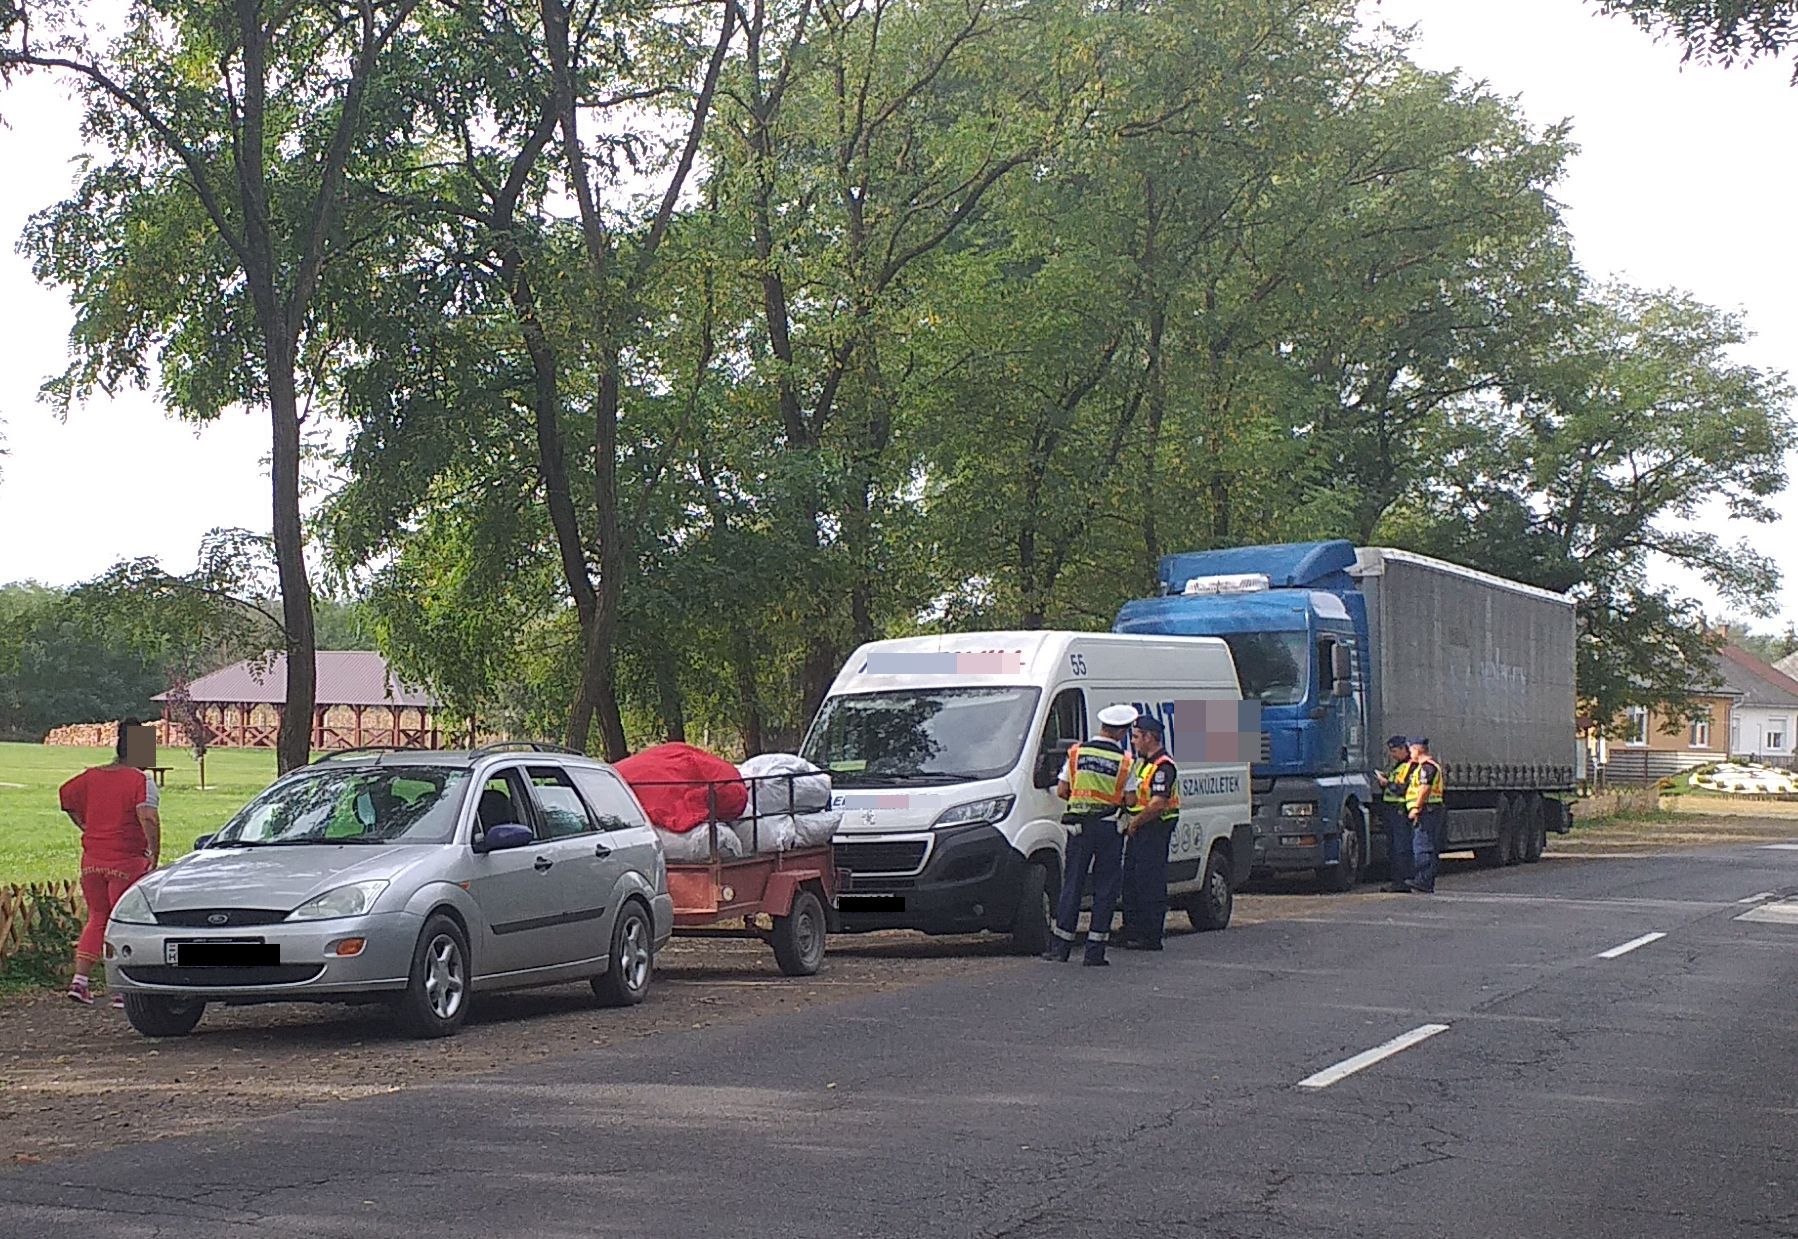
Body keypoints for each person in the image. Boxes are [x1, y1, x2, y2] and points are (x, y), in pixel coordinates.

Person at [58, 719, 161, 1007]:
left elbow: (66, 797)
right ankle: (120, 988)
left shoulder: (91, 777)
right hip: (126, 862)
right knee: (123, 922)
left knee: (97, 917)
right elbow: (148, 817)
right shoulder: (141, 781)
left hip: (92, 861)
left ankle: (80, 981)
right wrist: (153, 851)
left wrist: (86, 825)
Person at [1043, 704, 1138, 966]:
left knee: (1072, 884)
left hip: (1079, 828)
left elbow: (1062, 790)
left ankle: (1060, 947)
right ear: (1121, 732)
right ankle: (1095, 951)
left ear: (1102, 727)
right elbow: (1130, 799)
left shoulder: (1076, 753)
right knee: (1105, 888)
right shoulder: (1125, 761)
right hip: (1109, 828)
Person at [1119, 714, 1180, 951]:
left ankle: (1150, 935)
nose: (1133, 742)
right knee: (1132, 881)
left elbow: (1158, 803)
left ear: (1149, 737)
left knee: (1150, 883)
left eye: (1136, 737)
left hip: (1154, 828)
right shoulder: (1143, 763)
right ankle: (1133, 930)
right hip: (1141, 829)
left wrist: (1135, 822)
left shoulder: (1163, 766)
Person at [1403, 737, 1446, 895]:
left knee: (1423, 847)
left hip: (1427, 810)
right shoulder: (1424, 767)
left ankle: (1423, 880)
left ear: (1417, 749)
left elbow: (1424, 789)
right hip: (1430, 810)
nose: (1409, 753)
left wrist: (1416, 808)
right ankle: (1425, 880)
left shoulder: (1427, 767)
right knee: (1426, 846)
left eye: (1411, 750)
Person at [1373, 735, 1414, 893]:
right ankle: (1397, 881)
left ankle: (1402, 881)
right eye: (1391, 751)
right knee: (1393, 847)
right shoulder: (1398, 766)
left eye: (1395, 751)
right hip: (1391, 809)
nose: (1393, 755)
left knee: (1400, 847)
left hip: (1400, 809)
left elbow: (1404, 788)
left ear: (1404, 749)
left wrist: (1387, 783)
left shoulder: (1410, 766)